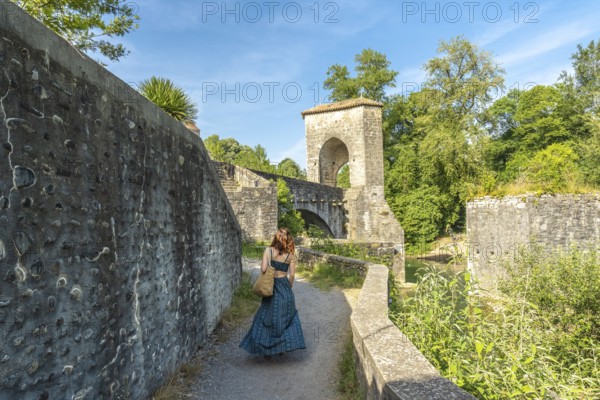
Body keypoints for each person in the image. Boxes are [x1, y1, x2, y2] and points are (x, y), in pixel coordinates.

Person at [240, 228, 306, 357]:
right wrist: (289, 286)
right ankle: (280, 346)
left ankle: (266, 348)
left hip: (270, 287)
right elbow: (292, 275)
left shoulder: (268, 251)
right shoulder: (290, 255)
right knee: (285, 317)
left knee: (267, 316)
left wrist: (268, 262)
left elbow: (264, 269)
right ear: (288, 239)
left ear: (275, 237)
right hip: (284, 286)